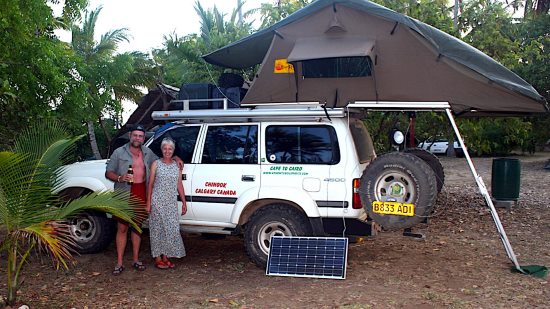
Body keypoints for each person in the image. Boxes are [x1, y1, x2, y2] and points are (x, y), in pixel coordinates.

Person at [146, 137, 187, 269]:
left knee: (170, 229)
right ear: (161, 149)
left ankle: (166, 256)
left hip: (170, 203)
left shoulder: (177, 165)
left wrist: (184, 202)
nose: (167, 151)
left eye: (170, 149)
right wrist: (148, 203)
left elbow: (179, 184)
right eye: (165, 148)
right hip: (157, 201)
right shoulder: (156, 164)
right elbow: (150, 184)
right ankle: (158, 258)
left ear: (173, 150)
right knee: (157, 230)